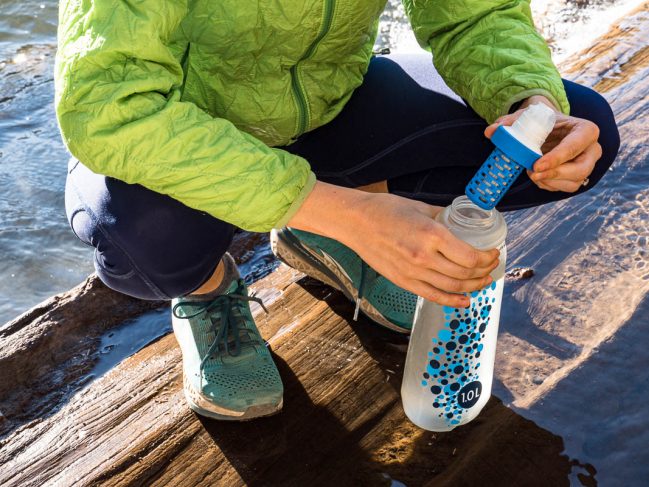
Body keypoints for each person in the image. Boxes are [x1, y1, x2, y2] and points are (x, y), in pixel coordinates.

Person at [56, 0, 620, 421]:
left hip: (330, 107)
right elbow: (108, 107)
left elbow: (473, 16)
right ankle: (210, 293)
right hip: (185, 134)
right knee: (142, 237)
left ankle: (323, 236)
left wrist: (529, 104)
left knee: (584, 126)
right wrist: (344, 211)